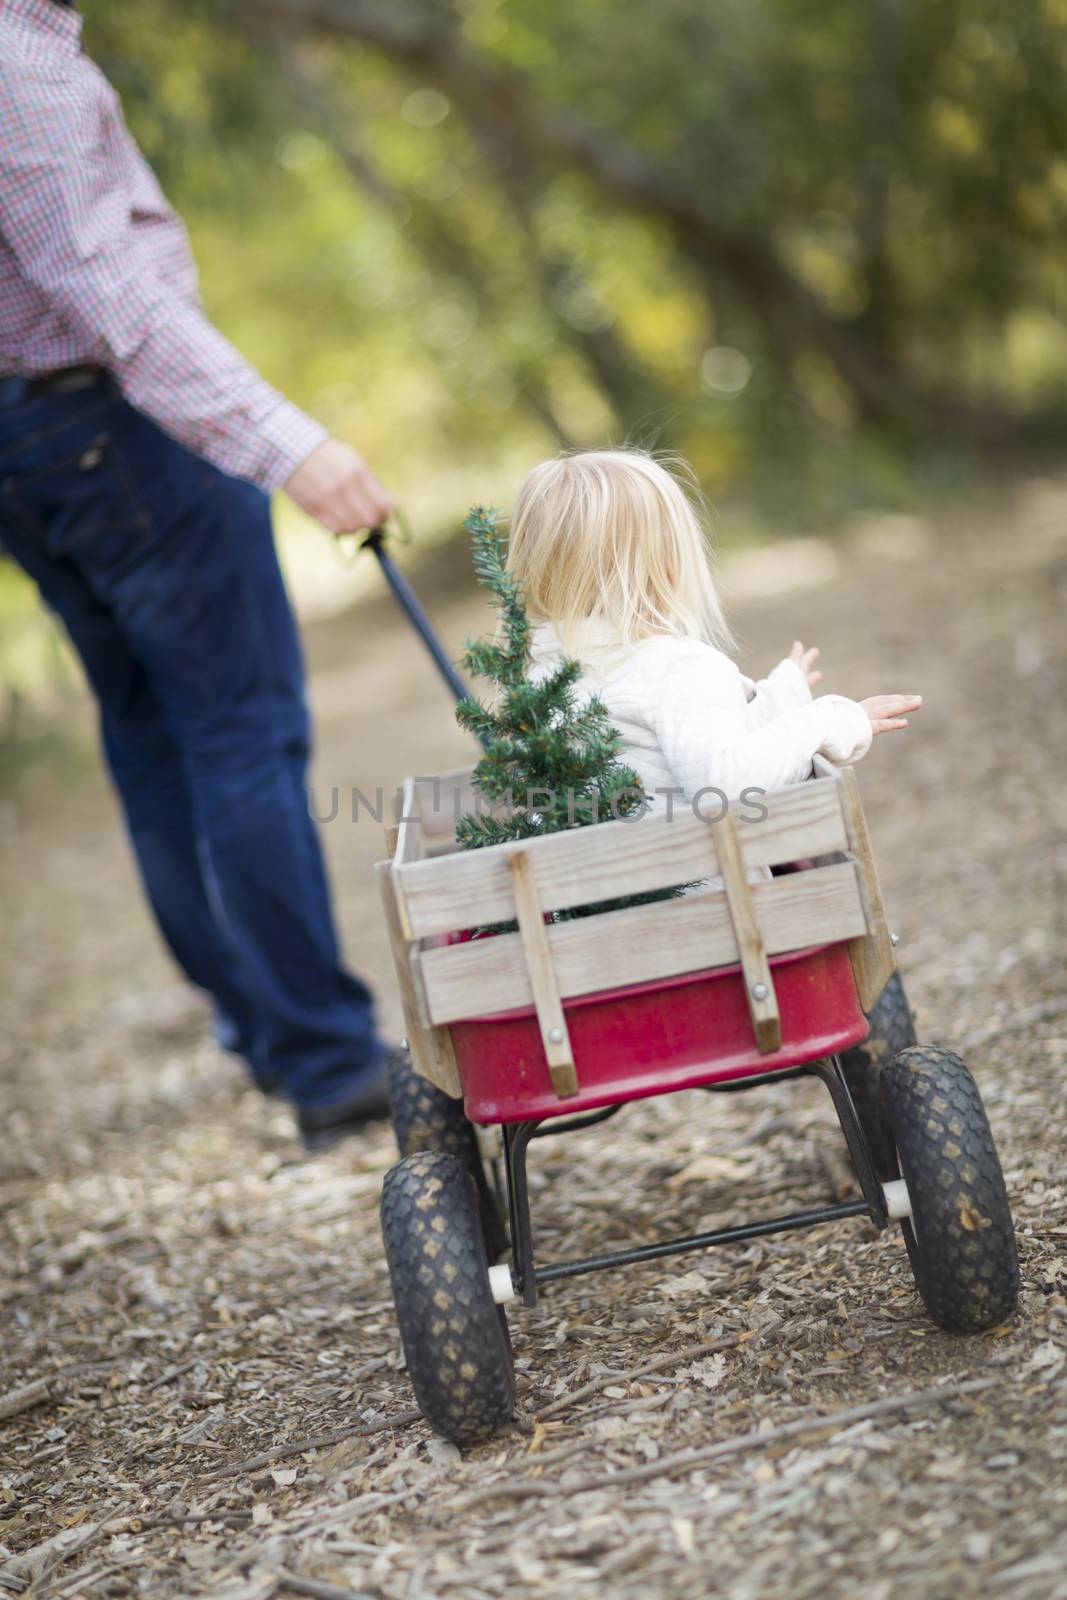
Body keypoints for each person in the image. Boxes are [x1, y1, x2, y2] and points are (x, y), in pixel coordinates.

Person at [0, 0, 400, 1147]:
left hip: (34, 447)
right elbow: (115, 301)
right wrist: (294, 448)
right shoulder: (15, 65)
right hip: (113, 432)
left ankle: (269, 1033)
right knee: (238, 734)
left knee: (152, 738)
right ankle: (325, 1059)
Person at [506, 449, 922, 802]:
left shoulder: (539, 682)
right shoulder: (676, 668)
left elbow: (689, 750)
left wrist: (780, 697)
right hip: (705, 889)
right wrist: (828, 721)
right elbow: (726, 781)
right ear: (666, 565)